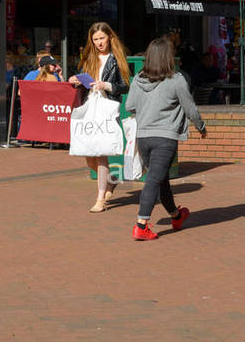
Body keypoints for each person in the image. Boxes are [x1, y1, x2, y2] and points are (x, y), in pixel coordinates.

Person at [125, 36, 206, 240]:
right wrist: (201, 126)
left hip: (144, 136)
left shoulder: (138, 78)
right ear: (168, 57)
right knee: (154, 179)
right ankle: (141, 225)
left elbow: (129, 106)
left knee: (161, 180)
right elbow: (190, 107)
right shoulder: (176, 79)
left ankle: (176, 215)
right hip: (165, 137)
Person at [70, 22, 131, 214]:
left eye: (101, 38)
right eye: (95, 39)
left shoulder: (116, 59)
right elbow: (83, 82)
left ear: (110, 37)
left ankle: (100, 199)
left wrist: (106, 85)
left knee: (101, 153)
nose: (99, 43)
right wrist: (75, 81)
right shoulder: (89, 58)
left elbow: (125, 86)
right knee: (89, 156)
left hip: (106, 108)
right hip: (89, 107)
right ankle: (111, 180)